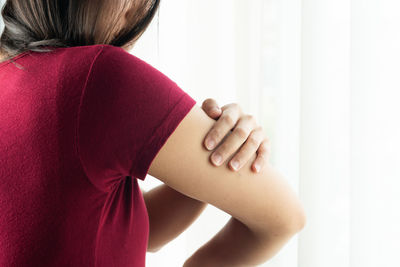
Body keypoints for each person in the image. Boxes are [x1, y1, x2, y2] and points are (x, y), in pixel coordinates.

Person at [0, 0, 306, 266]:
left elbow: (128, 228)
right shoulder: (99, 76)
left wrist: (203, 163)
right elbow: (285, 218)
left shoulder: (9, 79)